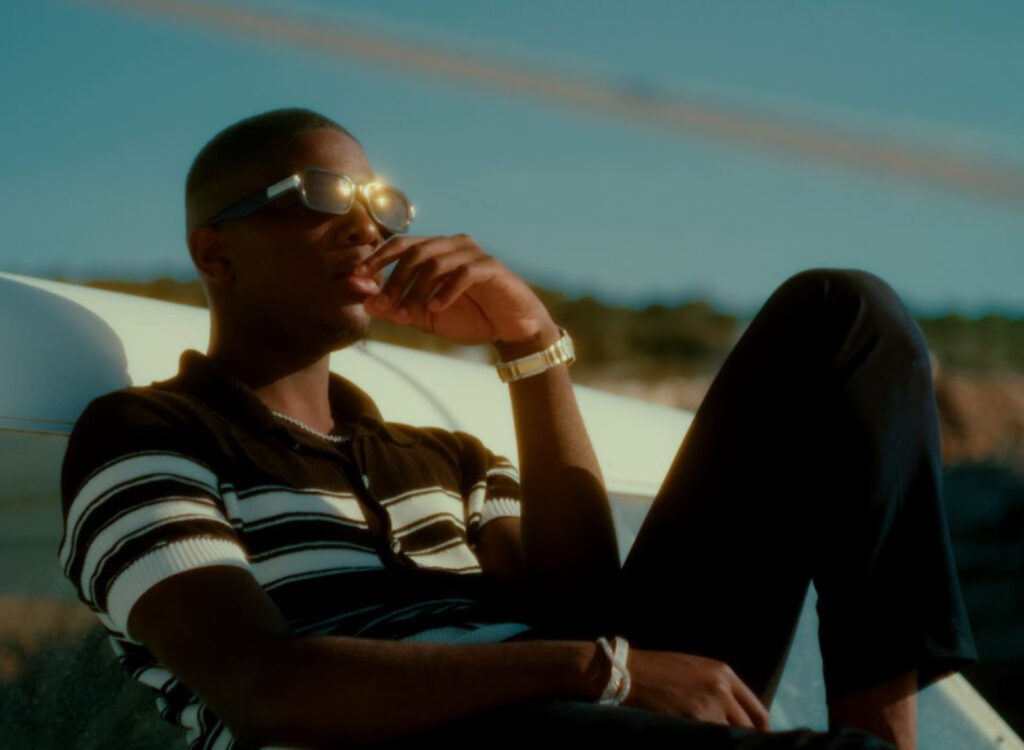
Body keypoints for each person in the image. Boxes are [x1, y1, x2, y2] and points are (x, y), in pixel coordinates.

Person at [58, 107, 977, 750]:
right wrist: (604, 672)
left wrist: (532, 344)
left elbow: (583, 614)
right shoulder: (147, 434)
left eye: (382, 203)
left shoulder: (444, 456)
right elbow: (262, 688)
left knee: (844, 317)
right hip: (398, 738)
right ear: (215, 252)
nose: (367, 227)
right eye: (325, 193)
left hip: (575, 712)